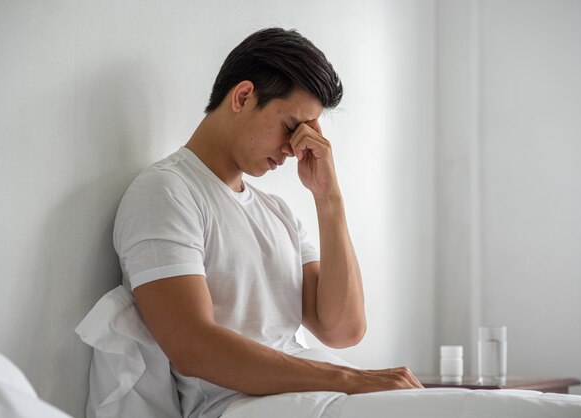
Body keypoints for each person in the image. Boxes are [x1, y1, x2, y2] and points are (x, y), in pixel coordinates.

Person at [113, 27, 423, 418]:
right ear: (243, 96)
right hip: (239, 406)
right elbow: (192, 346)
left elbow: (342, 330)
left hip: (311, 399)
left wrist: (329, 199)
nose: (296, 149)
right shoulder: (167, 192)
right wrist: (348, 379)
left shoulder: (278, 213)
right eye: (292, 127)